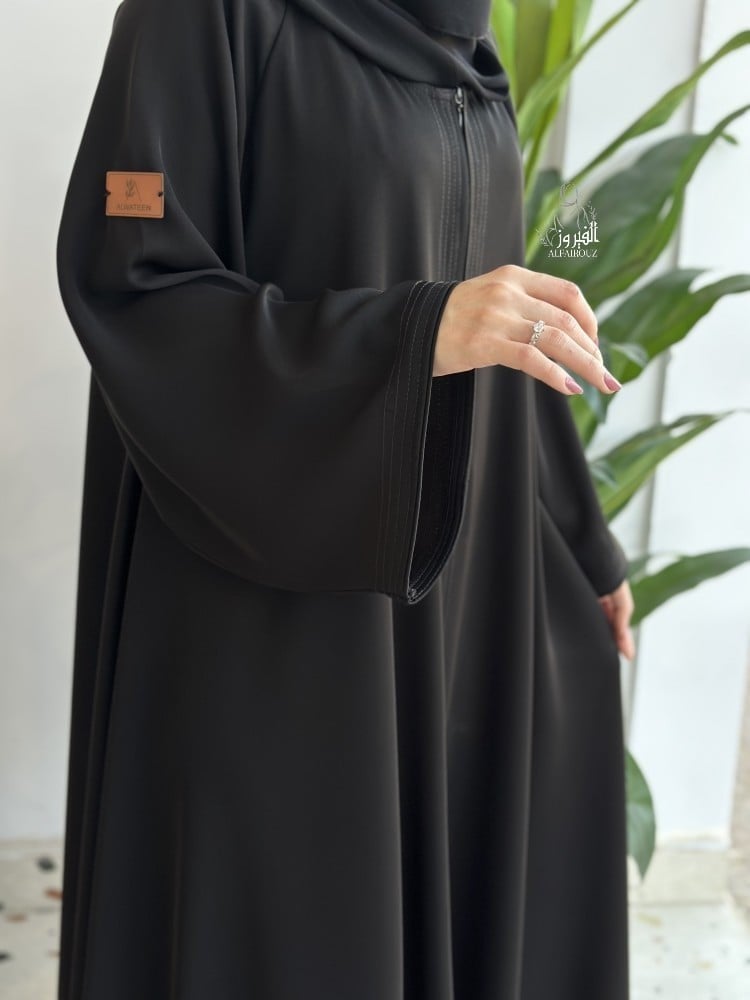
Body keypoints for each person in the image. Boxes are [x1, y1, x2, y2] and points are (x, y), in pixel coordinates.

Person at [55, 0, 635, 997]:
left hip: (454, 590)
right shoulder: (205, 16)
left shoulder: (458, 34)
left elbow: (489, 308)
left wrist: (583, 541)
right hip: (273, 586)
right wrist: (412, 332)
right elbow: (134, 284)